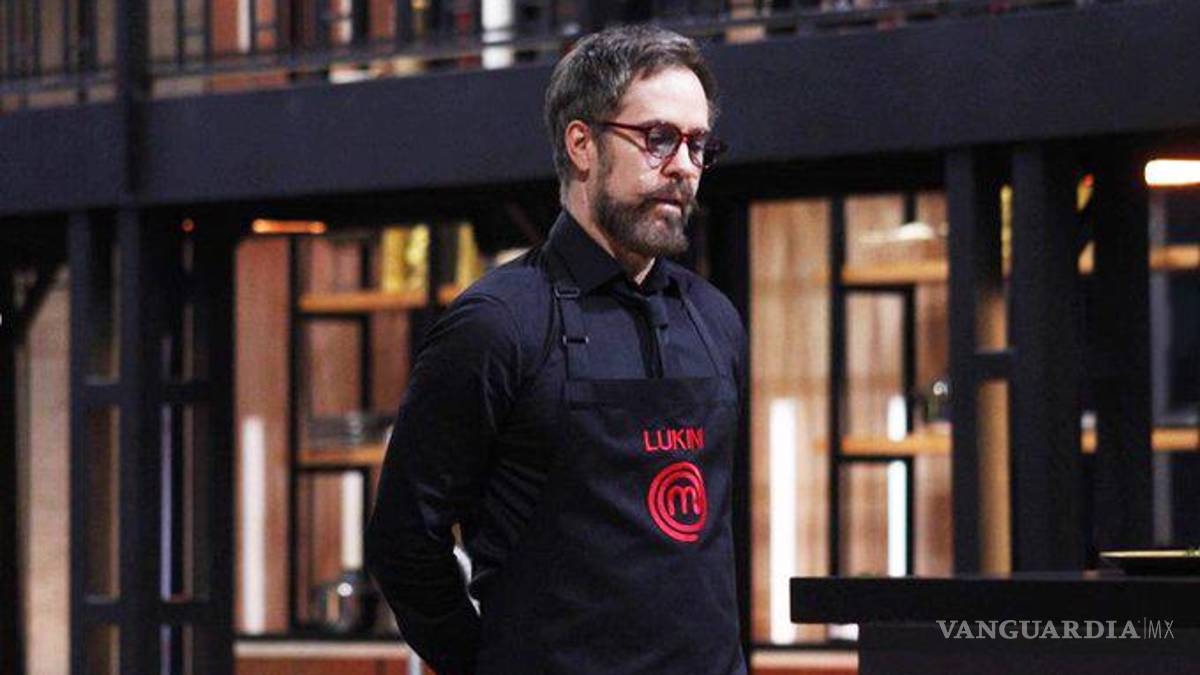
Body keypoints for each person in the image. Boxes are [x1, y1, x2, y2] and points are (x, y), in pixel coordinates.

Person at [365, 24, 748, 675]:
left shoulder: (714, 319)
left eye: (697, 145)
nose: (684, 166)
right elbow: (405, 541)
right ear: (582, 144)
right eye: (658, 138)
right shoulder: (498, 324)